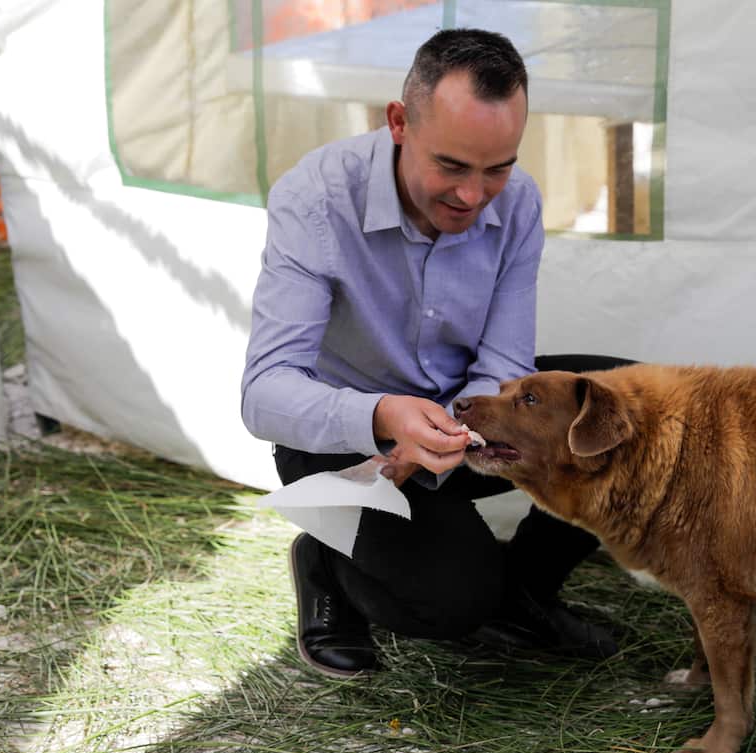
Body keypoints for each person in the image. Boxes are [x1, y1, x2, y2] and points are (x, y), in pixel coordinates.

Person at [241, 28, 629, 677]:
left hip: (460, 420)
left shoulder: (521, 202)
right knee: (449, 606)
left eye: (496, 168)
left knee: (628, 405)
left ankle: (522, 593)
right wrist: (385, 416)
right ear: (398, 123)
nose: (474, 196)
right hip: (344, 446)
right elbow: (264, 393)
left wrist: (463, 424)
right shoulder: (314, 201)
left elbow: (505, 364)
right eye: (451, 166)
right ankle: (326, 557)